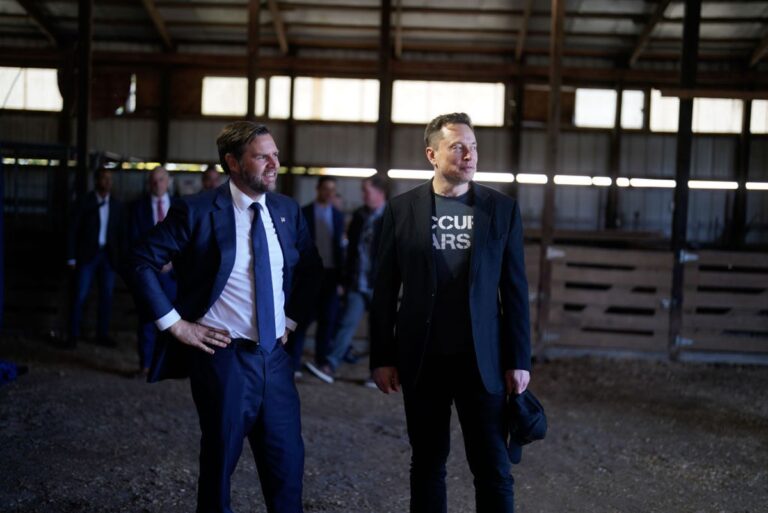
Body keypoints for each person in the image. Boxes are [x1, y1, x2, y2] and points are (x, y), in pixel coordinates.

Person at [131, 121, 322, 513]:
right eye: (262, 157)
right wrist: (176, 325)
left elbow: (311, 270)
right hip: (224, 361)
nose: (274, 164)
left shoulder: (286, 211)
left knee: (288, 469)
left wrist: (290, 320)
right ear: (233, 162)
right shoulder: (198, 210)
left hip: (275, 360)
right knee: (219, 469)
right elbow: (140, 261)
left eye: (275, 155)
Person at [370, 112, 531, 513]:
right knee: (427, 463)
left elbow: (515, 291)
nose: (469, 155)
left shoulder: (501, 210)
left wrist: (519, 360)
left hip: (482, 360)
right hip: (423, 358)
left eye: (473, 147)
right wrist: (382, 356)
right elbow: (385, 290)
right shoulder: (401, 210)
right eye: (457, 147)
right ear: (432, 154)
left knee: (492, 467)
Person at [304, 174, 387, 384]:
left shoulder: (392, 217)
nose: (363, 195)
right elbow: (350, 251)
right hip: (357, 282)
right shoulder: (359, 216)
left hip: (380, 285)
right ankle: (329, 366)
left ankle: (376, 374)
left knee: (379, 332)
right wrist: (345, 278)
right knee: (345, 325)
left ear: (380, 193)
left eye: (366, 191)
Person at [288, 176, 345, 380]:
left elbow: (340, 248)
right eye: (326, 189)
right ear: (318, 189)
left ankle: (321, 362)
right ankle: (294, 363)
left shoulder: (338, 215)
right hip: (310, 272)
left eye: (332, 189)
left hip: (331, 274)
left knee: (327, 319)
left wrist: (342, 279)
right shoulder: (304, 213)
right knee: (302, 319)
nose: (329, 193)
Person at [65, 166, 124, 348]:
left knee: (106, 297)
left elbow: (120, 233)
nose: (108, 182)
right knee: (79, 295)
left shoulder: (116, 205)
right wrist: (71, 257)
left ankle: (102, 334)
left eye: (110, 179)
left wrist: (120, 258)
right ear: (96, 181)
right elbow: (72, 230)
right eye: (104, 178)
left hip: (108, 256)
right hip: (87, 255)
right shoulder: (84, 202)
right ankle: (73, 336)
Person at [127, 166, 178, 375]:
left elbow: (188, 239)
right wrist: (152, 262)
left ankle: (167, 365)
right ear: (149, 183)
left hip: (174, 274)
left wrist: (173, 262)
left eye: (161, 179)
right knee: (147, 319)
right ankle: (145, 364)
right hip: (147, 272)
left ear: (169, 181)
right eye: (154, 180)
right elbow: (133, 240)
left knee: (173, 319)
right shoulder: (137, 208)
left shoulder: (180, 206)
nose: (158, 184)